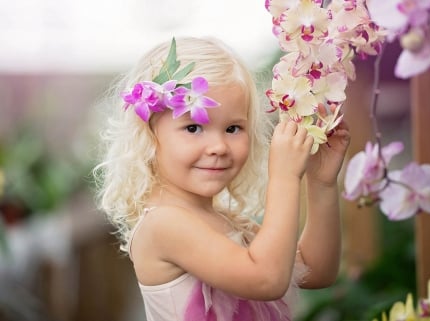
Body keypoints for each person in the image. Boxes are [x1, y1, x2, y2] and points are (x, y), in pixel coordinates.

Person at [93, 36, 350, 321]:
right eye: (192, 128)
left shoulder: (225, 221)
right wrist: (285, 177)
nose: (218, 146)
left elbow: (316, 270)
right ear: (149, 136)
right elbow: (267, 280)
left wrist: (320, 183)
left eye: (232, 128)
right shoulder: (163, 224)